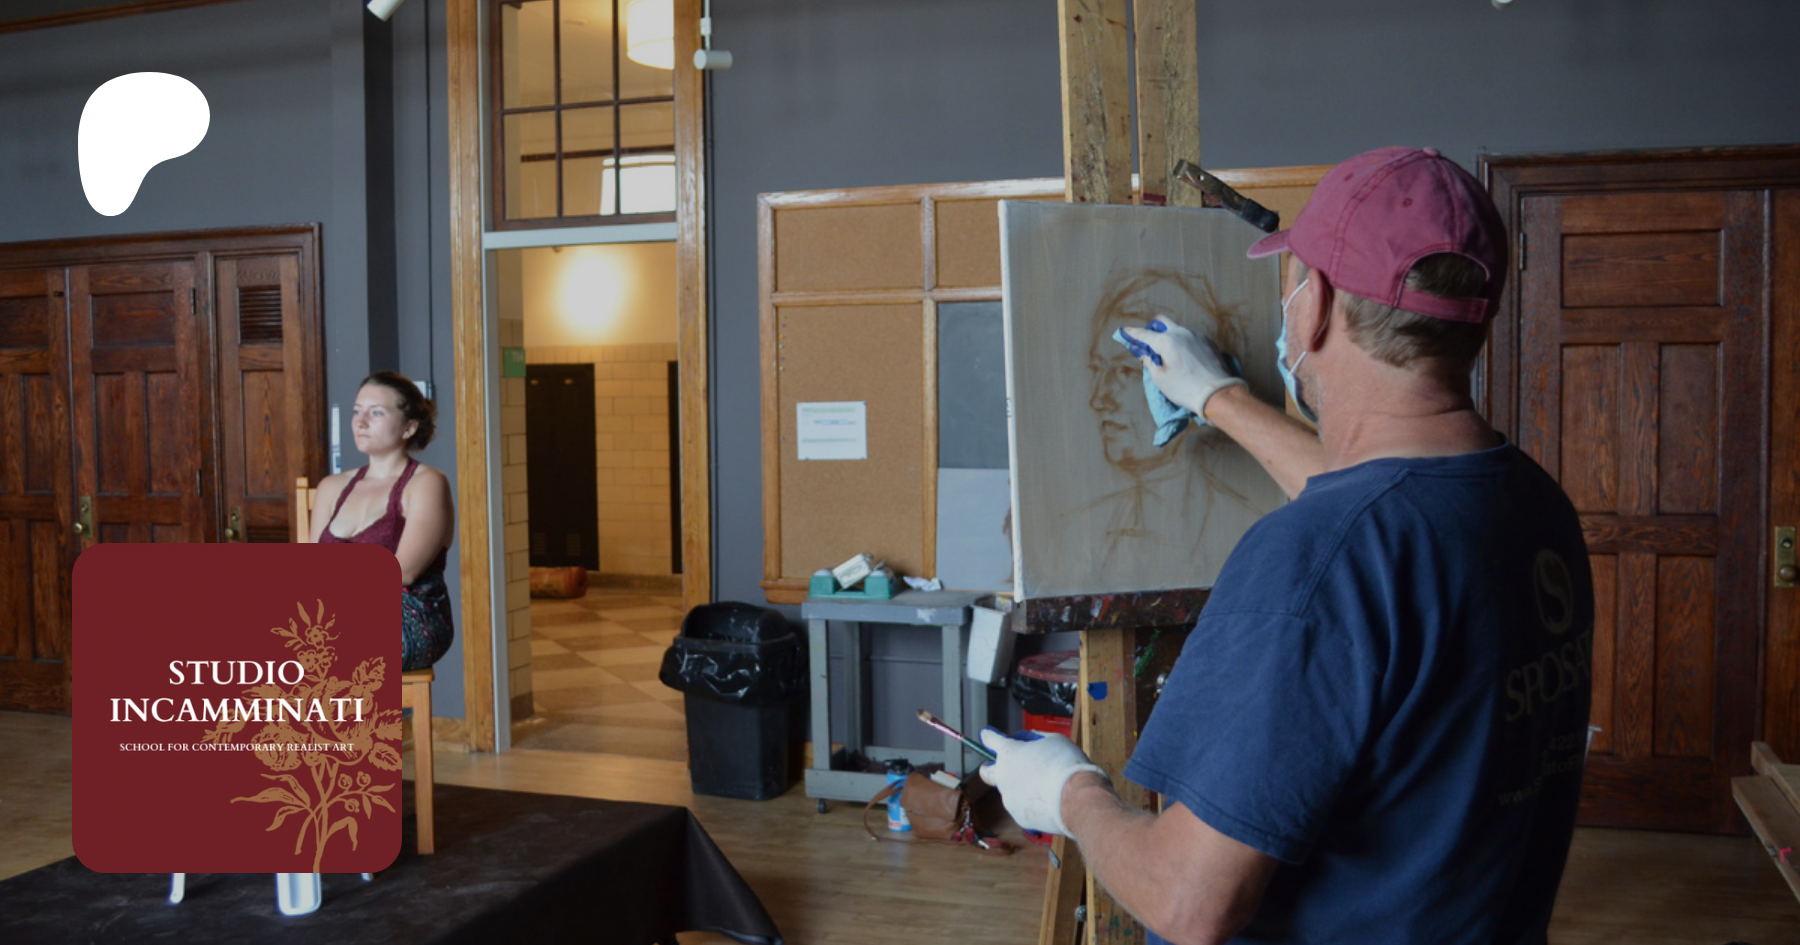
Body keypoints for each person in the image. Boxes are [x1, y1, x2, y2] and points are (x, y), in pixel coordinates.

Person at [979, 147, 1595, 945]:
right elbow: (1379, 508)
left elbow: (1189, 900)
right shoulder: (1531, 503)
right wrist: (1219, 399)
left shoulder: (1312, 561)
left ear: (1320, 304)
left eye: (1296, 278)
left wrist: (1070, 794)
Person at [307, 371, 456, 672]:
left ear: (408, 427)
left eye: (376, 413)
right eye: (357, 411)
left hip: (409, 618)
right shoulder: (331, 487)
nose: (361, 422)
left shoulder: (427, 483)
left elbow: (403, 572)